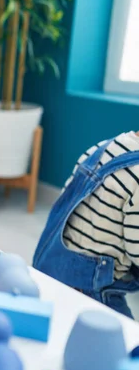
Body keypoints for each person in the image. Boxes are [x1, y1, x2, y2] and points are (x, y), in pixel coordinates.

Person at [33, 131, 139, 318]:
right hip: (95, 289)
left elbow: (65, 203)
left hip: (55, 268)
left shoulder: (102, 147)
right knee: (126, 342)